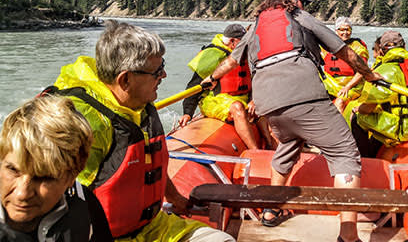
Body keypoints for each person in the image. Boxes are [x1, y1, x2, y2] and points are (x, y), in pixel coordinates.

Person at [201, 0, 382, 242]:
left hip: (269, 104)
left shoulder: (257, 25)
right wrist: (369, 73)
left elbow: (230, 61)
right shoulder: (299, 15)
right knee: (344, 151)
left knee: (287, 145)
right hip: (304, 96)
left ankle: (272, 211)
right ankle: (349, 235)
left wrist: (211, 79)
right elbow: (344, 51)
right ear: (295, 1)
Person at [49, 20, 235, 241]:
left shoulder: (138, 104)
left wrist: (176, 199)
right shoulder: (79, 123)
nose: (164, 76)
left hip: (153, 227)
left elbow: (147, 163)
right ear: (125, 79)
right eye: (157, 71)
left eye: (163, 65)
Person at [0, 95, 113, 241]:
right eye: (13, 170)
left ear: (73, 175)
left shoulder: (85, 207)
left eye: (43, 177)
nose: (22, 193)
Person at [346, 30, 408, 158]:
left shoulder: (387, 69)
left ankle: (366, 159)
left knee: (357, 118)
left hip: (407, 128)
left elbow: (368, 108)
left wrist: (358, 109)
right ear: (404, 46)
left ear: (381, 51)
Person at [178, 24, 260, 150]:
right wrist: (187, 113)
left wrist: (253, 100)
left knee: (265, 110)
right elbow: (194, 84)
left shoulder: (245, 54)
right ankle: (255, 151)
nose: (246, 44)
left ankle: (271, 146)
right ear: (232, 41)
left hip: (242, 97)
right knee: (237, 107)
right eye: (242, 41)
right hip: (216, 100)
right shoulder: (213, 54)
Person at [322, 17, 369, 113]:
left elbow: (362, 71)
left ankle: (340, 127)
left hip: (352, 85)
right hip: (331, 83)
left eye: (348, 29)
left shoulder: (357, 46)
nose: (345, 33)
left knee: (340, 101)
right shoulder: (327, 45)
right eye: (342, 30)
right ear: (336, 31)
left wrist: (347, 87)